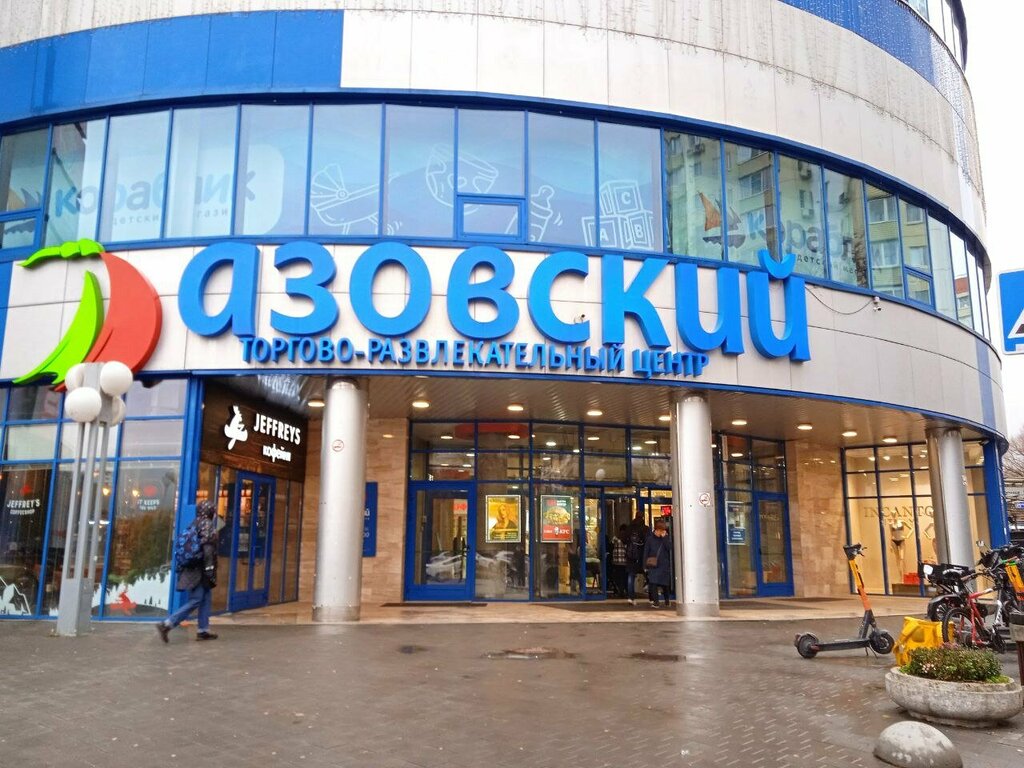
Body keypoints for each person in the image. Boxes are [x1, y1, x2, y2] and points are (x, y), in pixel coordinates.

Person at [157, 500, 219, 642]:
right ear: (210, 512)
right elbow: (208, 548)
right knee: (196, 600)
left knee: (205, 598)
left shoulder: (194, 523)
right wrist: (210, 569)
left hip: (191, 567)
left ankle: (203, 630)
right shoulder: (207, 524)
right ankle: (167, 624)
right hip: (200, 569)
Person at [643, 520, 672, 608]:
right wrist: (644, 565)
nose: (661, 532)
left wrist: (664, 538)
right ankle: (656, 602)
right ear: (656, 529)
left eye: (663, 530)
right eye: (660, 530)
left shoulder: (665, 538)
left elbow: (669, 547)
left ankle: (667, 600)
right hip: (653, 564)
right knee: (653, 583)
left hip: (664, 564)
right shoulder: (650, 539)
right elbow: (646, 552)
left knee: (665, 584)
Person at [624, 513, 649, 605]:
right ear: (643, 518)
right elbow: (648, 542)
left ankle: (631, 597)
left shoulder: (629, 528)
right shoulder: (645, 528)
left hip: (630, 555)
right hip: (641, 555)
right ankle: (652, 597)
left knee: (631, 576)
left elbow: (624, 540)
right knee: (648, 574)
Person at [610, 524, 628, 598]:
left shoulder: (615, 539)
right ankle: (624, 591)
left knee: (618, 577)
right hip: (624, 561)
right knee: (624, 577)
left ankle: (620, 591)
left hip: (616, 561)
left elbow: (611, 546)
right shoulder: (627, 539)